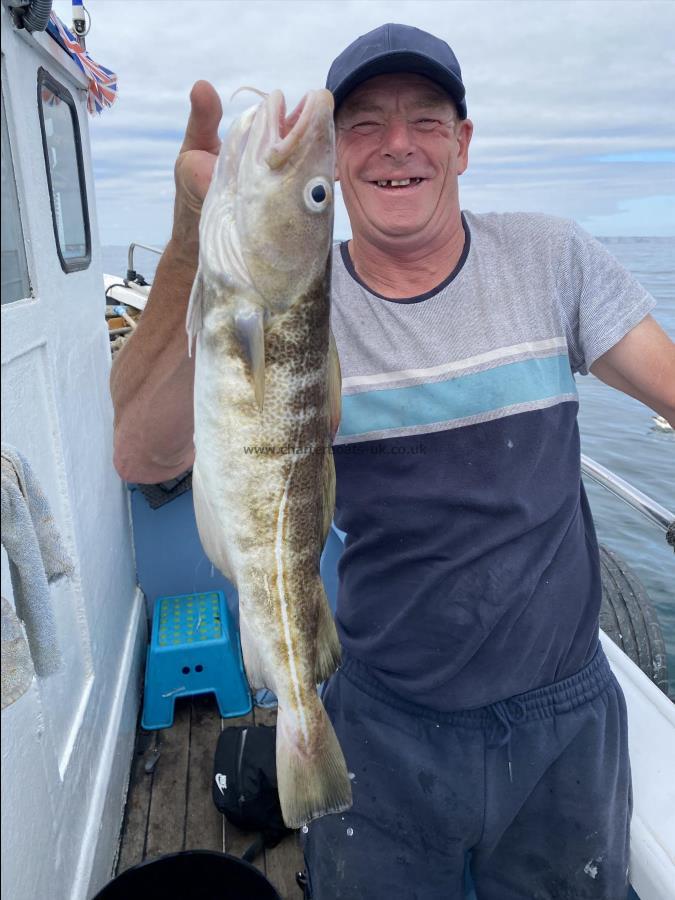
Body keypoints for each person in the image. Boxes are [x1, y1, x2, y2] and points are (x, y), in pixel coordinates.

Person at [110, 23, 675, 900]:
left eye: (424, 118)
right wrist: (192, 238)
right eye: (364, 123)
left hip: (565, 717)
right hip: (384, 714)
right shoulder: (294, 302)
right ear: (335, 159)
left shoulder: (553, 257)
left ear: (463, 143)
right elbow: (141, 453)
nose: (397, 145)